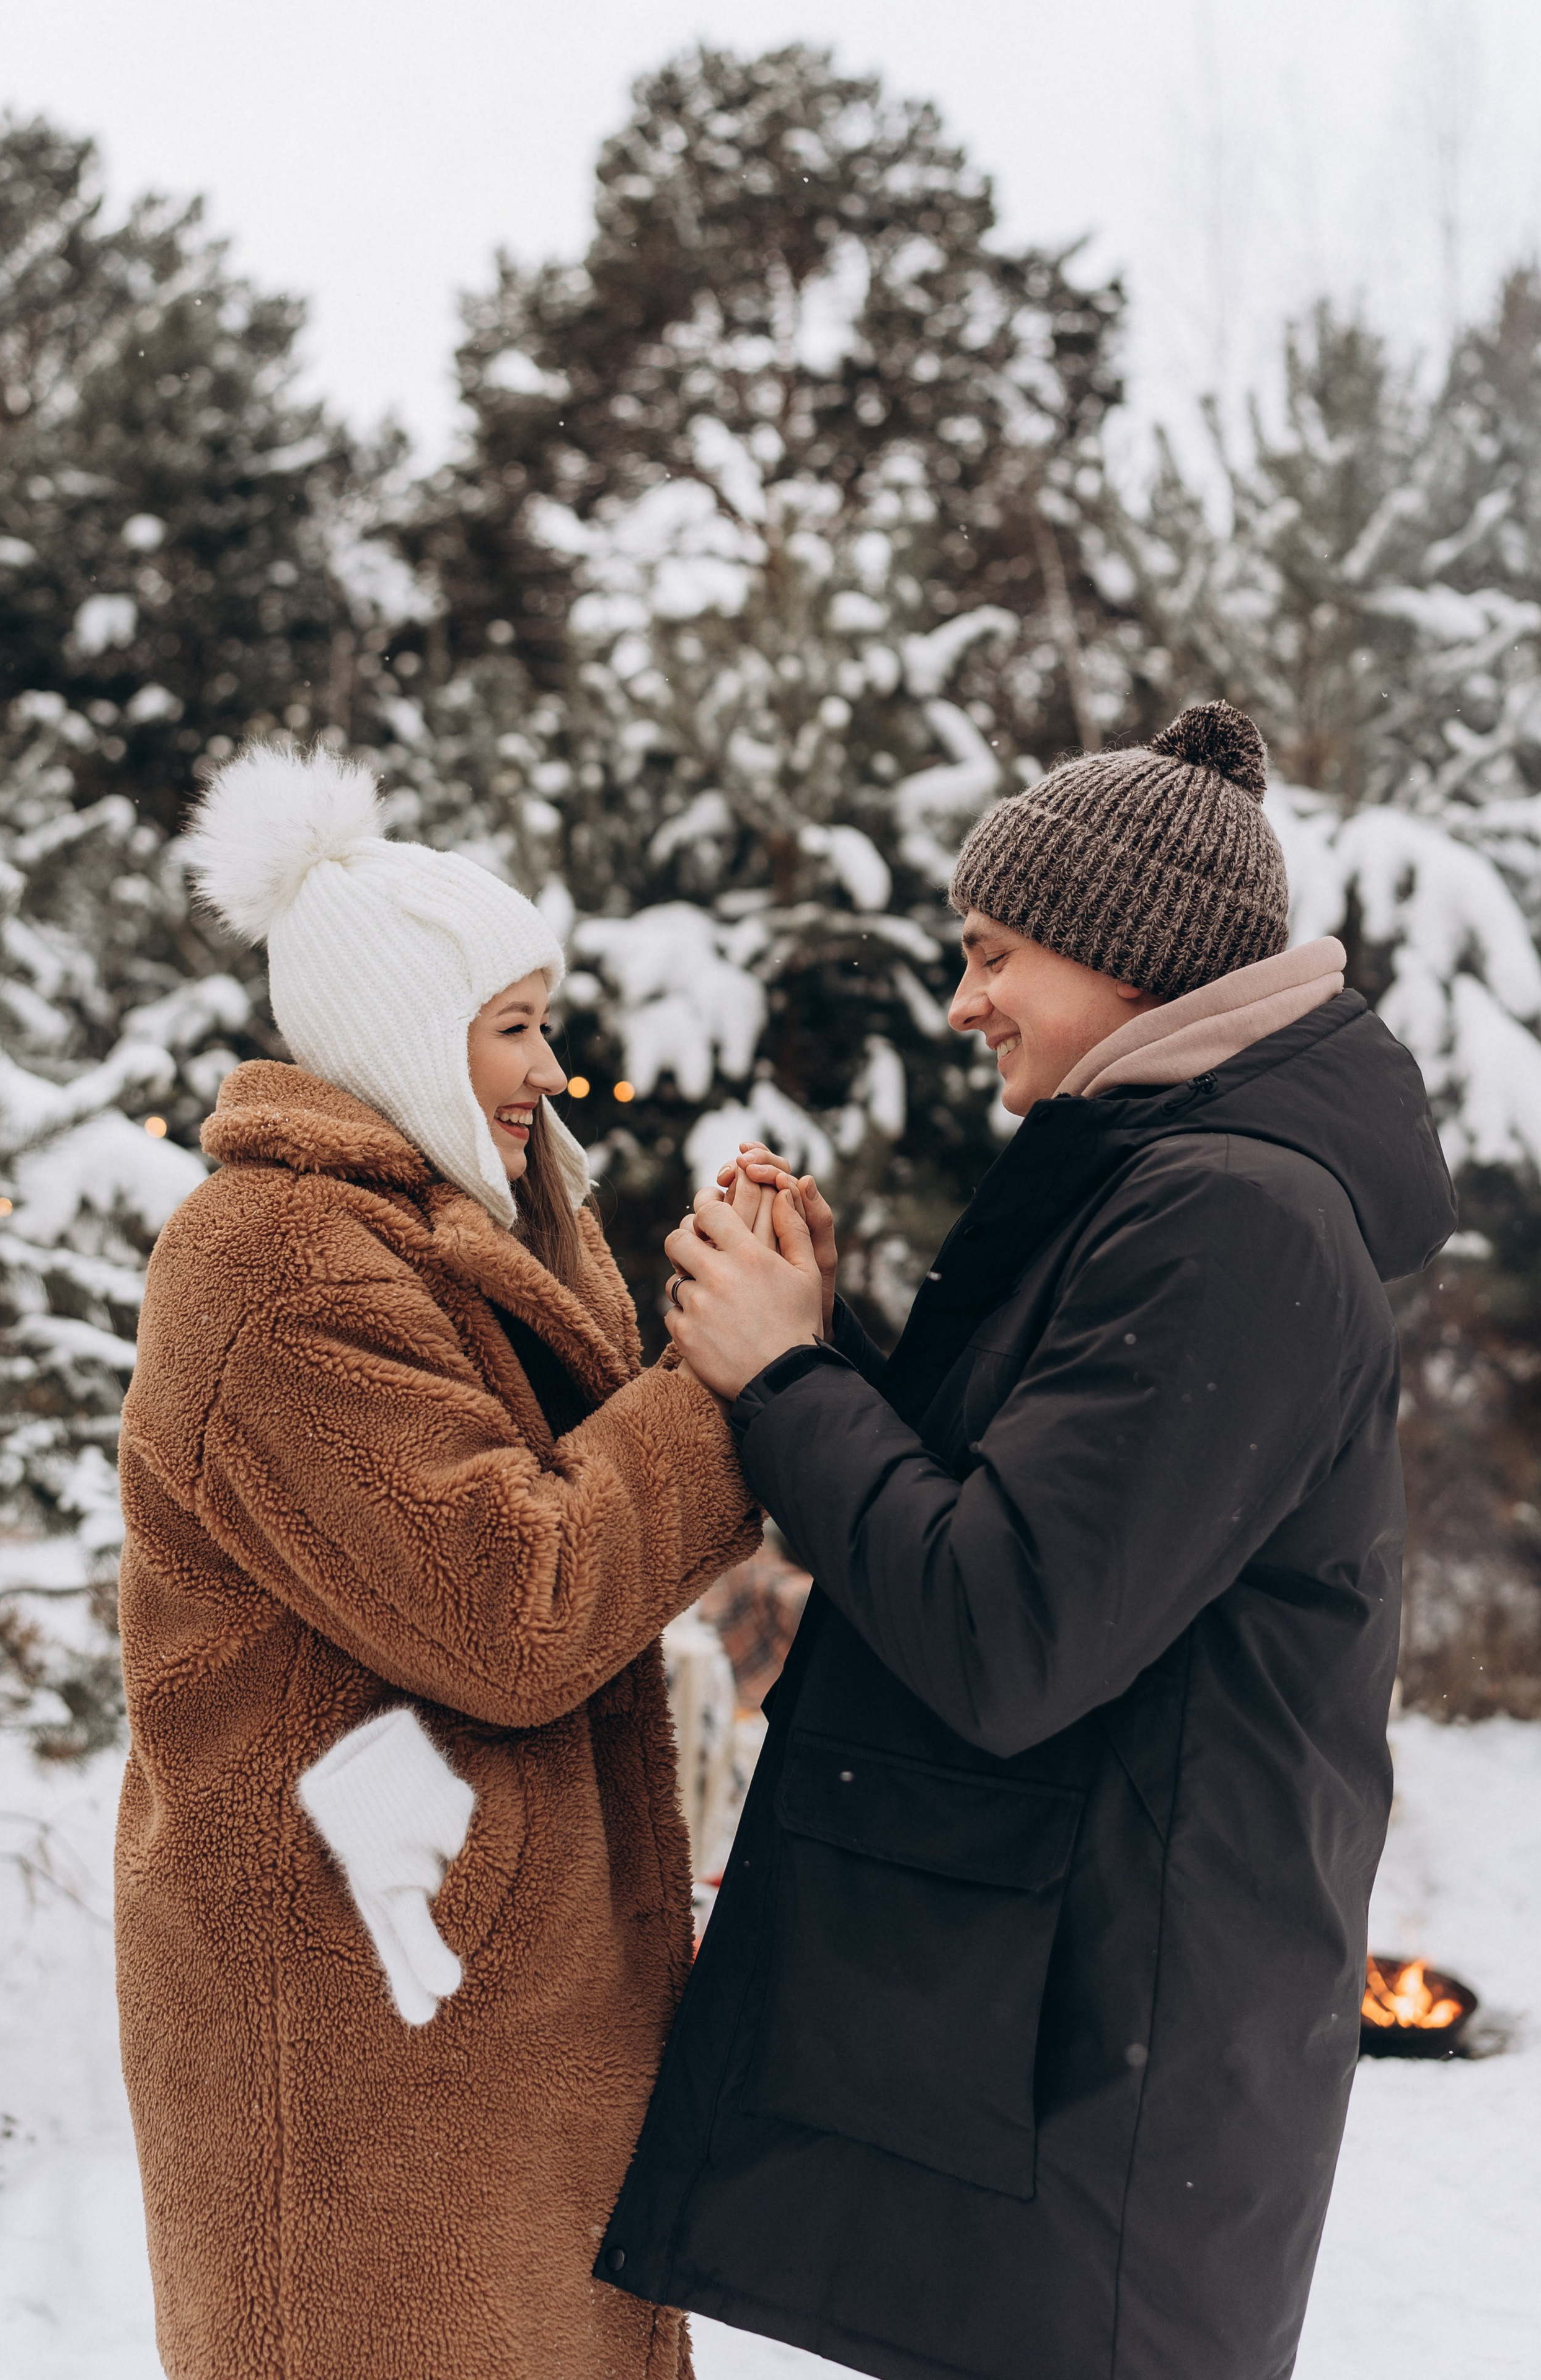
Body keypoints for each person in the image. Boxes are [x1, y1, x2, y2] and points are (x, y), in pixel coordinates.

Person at [598, 702, 1457, 2380]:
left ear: (1128, 957)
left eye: (995, 954)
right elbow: (1020, 1533)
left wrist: (785, 1377)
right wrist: (824, 1347)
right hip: (1073, 2057)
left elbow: (1007, 1631)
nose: (964, 1000)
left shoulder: (1230, 1213)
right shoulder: (1176, 1186)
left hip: (1113, 2096)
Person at [114, 745, 758, 2380]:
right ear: (408, 1030)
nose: (552, 1066)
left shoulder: (459, 1232)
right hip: (362, 2032)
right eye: (515, 1026)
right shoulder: (276, 1266)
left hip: (459, 2010)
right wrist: (720, 1391)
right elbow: (514, 1606)